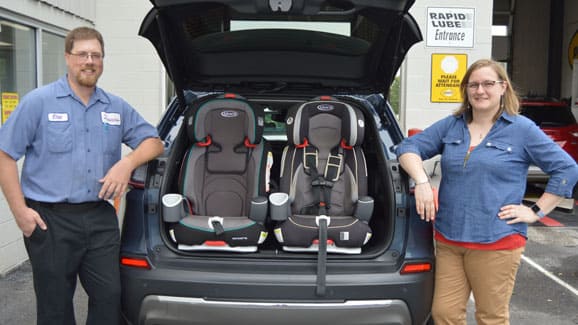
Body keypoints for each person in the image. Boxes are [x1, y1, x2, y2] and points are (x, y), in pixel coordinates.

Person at [0, 27, 164, 324]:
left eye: (96, 55)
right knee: (55, 307)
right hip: (50, 221)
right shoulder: (40, 101)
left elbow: (154, 142)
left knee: (109, 298)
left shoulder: (114, 106)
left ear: (102, 60)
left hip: (100, 218)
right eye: (82, 54)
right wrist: (20, 212)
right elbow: (4, 154)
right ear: (67, 57)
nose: (89, 61)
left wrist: (126, 164)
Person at [395, 58, 578, 325]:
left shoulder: (521, 129)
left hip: (496, 241)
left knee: (490, 317)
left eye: (488, 84)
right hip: (450, 240)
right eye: (474, 85)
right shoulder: (452, 125)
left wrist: (535, 211)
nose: (480, 91)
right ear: (466, 90)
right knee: (444, 314)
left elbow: (567, 169)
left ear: (503, 87)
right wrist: (422, 181)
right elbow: (408, 147)